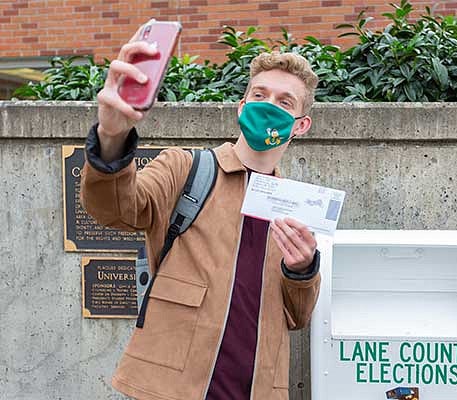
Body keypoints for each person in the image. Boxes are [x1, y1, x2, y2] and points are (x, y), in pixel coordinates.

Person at [80, 26, 321, 400]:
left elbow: (297, 316)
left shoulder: (297, 207)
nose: (269, 105)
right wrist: (111, 137)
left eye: (285, 102)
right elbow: (114, 209)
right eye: (259, 94)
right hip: (172, 390)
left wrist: (302, 268)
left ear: (300, 125)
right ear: (242, 108)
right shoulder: (185, 168)